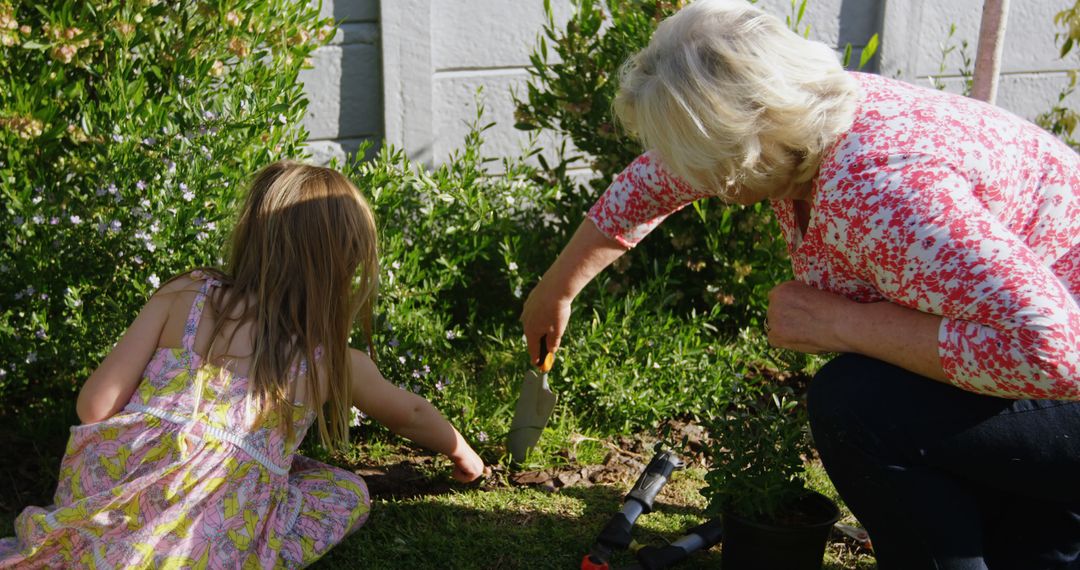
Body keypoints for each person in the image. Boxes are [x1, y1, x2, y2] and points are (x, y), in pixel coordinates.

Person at [520, 0, 1080, 568]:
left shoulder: (880, 193)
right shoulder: (800, 117)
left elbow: (1056, 354)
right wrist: (557, 289)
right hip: (1038, 372)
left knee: (860, 403)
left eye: (694, 160)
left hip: (1064, 381)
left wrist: (840, 322)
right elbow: (657, 177)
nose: (684, 175)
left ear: (745, 147)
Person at [0, 161, 485, 568]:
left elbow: (93, 408)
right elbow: (412, 414)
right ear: (345, 265)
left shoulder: (185, 294)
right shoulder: (332, 360)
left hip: (112, 495)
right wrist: (462, 452)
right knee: (343, 491)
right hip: (210, 527)